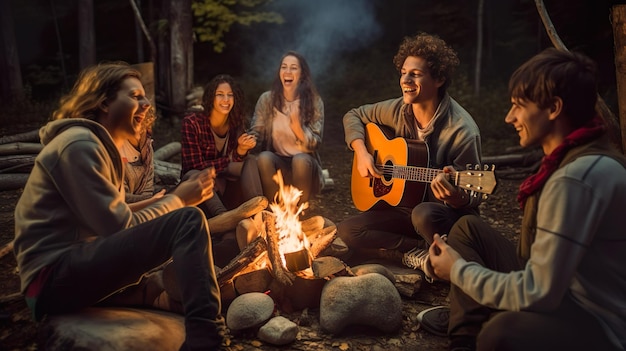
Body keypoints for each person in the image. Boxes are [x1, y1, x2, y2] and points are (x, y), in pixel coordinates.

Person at [13, 62, 225, 350]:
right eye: (135, 96)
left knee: (181, 219)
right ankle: (205, 338)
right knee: (188, 220)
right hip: (52, 278)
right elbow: (119, 228)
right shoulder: (78, 145)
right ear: (103, 102)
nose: (147, 102)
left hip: (68, 270)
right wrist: (179, 201)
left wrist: (167, 201)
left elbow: (110, 218)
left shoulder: (95, 146)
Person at [426, 48, 626, 351]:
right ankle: (465, 336)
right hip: (567, 290)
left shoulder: (576, 179)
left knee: (502, 333)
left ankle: (480, 327)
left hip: (598, 321)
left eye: (519, 106)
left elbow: (539, 290)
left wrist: (457, 271)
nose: (510, 117)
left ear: (554, 108)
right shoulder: (580, 157)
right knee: (468, 228)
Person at [337, 32, 482, 279]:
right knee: (347, 230)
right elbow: (354, 114)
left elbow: (474, 196)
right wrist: (361, 151)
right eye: (403, 72)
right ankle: (413, 251)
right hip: (402, 208)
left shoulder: (462, 130)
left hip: (439, 217)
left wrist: (455, 196)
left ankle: (433, 251)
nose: (405, 80)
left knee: (423, 213)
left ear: (439, 79)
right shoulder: (398, 110)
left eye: (415, 74)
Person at [180, 74, 267, 266]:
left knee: (251, 161)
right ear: (211, 97)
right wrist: (232, 157)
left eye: (230, 95)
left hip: (228, 186)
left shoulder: (235, 122)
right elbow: (193, 166)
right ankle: (225, 222)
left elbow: (236, 166)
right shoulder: (192, 122)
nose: (225, 100)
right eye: (220, 94)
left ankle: (259, 213)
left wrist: (242, 151)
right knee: (195, 175)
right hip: (202, 195)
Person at [247, 51, 324, 206]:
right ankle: (275, 209)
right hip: (277, 166)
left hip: (305, 168)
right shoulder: (267, 100)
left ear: (302, 74)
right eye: (284, 67)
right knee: (264, 157)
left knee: (300, 160)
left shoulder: (314, 102)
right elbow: (257, 133)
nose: (287, 72)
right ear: (280, 72)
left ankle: (298, 211)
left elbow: (315, 143)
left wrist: (298, 129)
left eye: (293, 68)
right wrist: (247, 141)